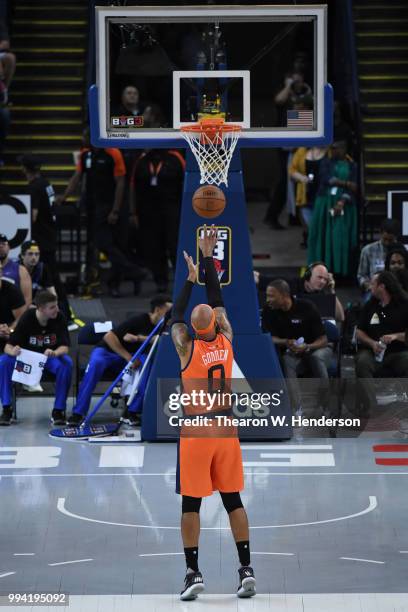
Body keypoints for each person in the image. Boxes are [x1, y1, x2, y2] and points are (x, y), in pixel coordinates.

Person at [170, 226, 256, 601]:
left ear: (193, 329)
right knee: (233, 499)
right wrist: (207, 258)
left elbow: (174, 314)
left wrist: (189, 281)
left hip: (196, 431)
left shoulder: (185, 347)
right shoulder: (227, 338)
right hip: (226, 428)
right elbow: (218, 297)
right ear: (216, 324)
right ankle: (246, 569)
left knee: (192, 504)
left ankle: (193, 572)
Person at [56, 136, 145, 297]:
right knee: (103, 244)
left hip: (112, 206)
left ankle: (120, 281)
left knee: (117, 245)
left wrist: (116, 210)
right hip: (95, 207)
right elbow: (77, 177)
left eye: (86, 137)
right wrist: (65, 196)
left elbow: (121, 182)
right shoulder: (85, 155)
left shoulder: (113, 153)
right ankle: (133, 272)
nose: (84, 140)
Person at [68, 295, 172, 427]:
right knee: (95, 365)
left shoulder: (164, 326)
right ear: (158, 310)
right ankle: (78, 413)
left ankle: (131, 412)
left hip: (133, 357)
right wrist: (128, 357)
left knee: (146, 368)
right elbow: (109, 336)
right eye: (168, 310)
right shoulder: (139, 320)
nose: (172, 315)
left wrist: (138, 338)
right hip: (108, 352)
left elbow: (158, 340)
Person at [0, 290, 72, 426]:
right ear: (40, 309)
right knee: (3, 362)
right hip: (28, 359)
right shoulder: (27, 318)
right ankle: (6, 408)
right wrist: (13, 351)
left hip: (49, 358)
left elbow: (65, 347)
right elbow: (7, 347)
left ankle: (58, 410)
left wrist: (55, 353)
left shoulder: (60, 317)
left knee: (66, 363)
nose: (56, 309)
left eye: (56, 305)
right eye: (52, 307)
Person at [261, 279, 331, 415]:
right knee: (287, 361)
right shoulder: (268, 310)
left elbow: (324, 340)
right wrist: (286, 342)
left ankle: (326, 406)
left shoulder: (307, 307)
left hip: (317, 349)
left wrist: (307, 347)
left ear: (284, 295)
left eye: (271, 296)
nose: (268, 300)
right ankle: (297, 409)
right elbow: (269, 338)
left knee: (316, 358)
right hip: (293, 353)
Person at [130, 148, 185, 292]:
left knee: (175, 246)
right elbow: (132, 187)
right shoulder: (141, 160)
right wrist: (133, 212)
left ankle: (183, 280)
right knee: (154, 248)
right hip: (148, 212)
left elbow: (186, 184)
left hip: (172, 209)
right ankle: (160, 281)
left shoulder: (175, 158)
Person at [355, 271, 408, 413]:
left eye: (373, 284)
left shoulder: (404, 304)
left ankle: (402, 404)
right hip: (374, 350)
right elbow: (359, 332)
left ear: (382, 286)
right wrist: (372, 343)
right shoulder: (370, 305)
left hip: (398, 351)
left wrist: (395, 336)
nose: (370, 287)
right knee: (362, 362)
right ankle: (372, 405)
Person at [308, 140, 358, 276]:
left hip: (344, 205)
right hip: (325, 203)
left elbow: (355, 187)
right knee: (321, 235)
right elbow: (327, 179)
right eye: (333, 148)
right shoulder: (325, 162)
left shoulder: (353, 165)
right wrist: (347, 183)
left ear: (345, 149)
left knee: (339, 237)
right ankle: (318, 271)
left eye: (337, 148)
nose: (334, 151)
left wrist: (342, 200)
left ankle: (341, 272)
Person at [255, 262, 345, 323]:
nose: (322, 282)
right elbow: (258, 278)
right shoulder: (289, 283)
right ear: (308, 275)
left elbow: (340, 317)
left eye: (325, 279)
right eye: (319, 277)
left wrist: (331, 291)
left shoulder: (322, 294)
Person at [289, 146, 328, 247]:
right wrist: (302, 178)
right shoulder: (301, 151)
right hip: (306, 195)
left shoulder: (329, 151)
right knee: (311, 226)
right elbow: (292, 170)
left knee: (322, 228)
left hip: (324, 195)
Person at [357, 218, 401, 299]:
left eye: (390, 240)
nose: (387, 243)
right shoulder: (368, 250)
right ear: (380, 234)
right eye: (385, 239)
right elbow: (361, 275)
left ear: (396, 237)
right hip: (374, 290)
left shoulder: (401, 252)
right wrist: (369, 286)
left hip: (396, 291)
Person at [0, 263, 26, 353]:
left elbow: (21, 319)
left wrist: (9, 330)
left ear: (1, 273)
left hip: (10, 333)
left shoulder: (13, 291)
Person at [0, 234, 32, 307]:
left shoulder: (21, 270)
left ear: (9, 247)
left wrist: (19, 317)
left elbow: (27, 299)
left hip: (13, 315)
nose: (0, 246)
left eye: (3, 244)